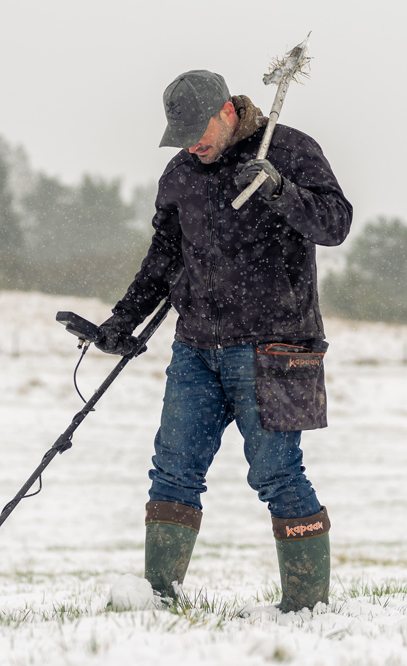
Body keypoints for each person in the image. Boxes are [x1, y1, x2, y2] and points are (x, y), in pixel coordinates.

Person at [97, 70, 352, 613]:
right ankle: (158, 596)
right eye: (182, 133)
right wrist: (123, 320)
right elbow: (163, 258)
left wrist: (282, 190)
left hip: (275, 347)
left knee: (276, 473)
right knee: (173, 467)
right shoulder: (181, 173)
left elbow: (335, 223)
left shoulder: (288, 148)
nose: (194, 143)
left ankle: (307, 606)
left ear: (228, 110)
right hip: (196, 346)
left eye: (199, 129)